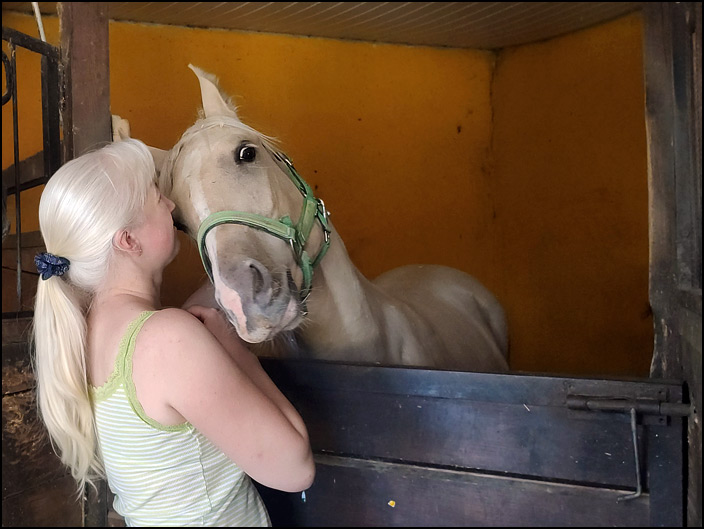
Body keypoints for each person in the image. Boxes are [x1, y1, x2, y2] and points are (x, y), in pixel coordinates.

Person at [32, 138, 315, 526]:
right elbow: (294, 469)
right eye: (156, 196)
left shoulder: (88, 332)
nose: (170, 205)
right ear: (129, 241)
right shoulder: (167, 340)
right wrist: (234, 348)